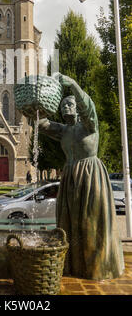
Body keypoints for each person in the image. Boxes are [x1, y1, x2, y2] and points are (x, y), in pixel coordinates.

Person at [38, 73, 124, 280]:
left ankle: (97, 267)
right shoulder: (64, 131)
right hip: (70, 176)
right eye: (63, 107)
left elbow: (88, 108)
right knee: (69, 221)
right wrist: (37, 103)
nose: (66, 108)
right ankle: (73, 265)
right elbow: (42, 124)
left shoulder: (88, 125)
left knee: (91, 221)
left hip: (91, 175)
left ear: (76, 108)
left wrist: (73, 85)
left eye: (69, 105)